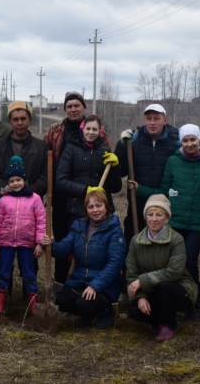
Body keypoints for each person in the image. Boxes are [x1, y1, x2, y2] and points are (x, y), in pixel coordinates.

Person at [129, 124, 200, 320]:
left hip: (199, 222)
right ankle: (175, 301)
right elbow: (164, 191)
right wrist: (140, 189)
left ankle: (196, 305)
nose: (189, 144)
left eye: (193, 139)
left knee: (189, 260)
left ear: (199, 140)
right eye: (185, 140)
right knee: (172, 262)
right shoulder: (173, 161)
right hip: (176, 220)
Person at [44, 91, 111, 283]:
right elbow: (45, 159)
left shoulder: (99, 132)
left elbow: (106, 159)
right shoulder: (55, 132)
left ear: (83, 107)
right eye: (69, 106)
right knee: (63, 241)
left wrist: (115, 163)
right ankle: (60, 283)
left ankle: (85, 282)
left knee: (89, 243)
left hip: (92, 199)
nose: (73, 109)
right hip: (62, 196)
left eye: (77, 105)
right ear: (65, 109)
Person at [0, 100, 48, 300]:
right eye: (15, 119)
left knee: (29, 257)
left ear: (30, 119)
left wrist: (30, 191)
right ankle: (3, 294)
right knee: (2, 256)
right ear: (10, 121)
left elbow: (46, 176)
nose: (19, 123)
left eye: (23, 119)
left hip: (30, 213)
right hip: (4, 209)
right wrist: (4, 190)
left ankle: (29, 295)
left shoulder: (40, 147)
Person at [41, 189, 126, 327]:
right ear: (86, 209)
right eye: (90, 206)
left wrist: (95, 285)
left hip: (105, 284)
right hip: (80, 280)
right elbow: (64, 248)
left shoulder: (115, 232)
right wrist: (51, 246)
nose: (95, 210)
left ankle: (106, 311)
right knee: (62, 301)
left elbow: (115, 264)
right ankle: (88, 314)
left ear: (106, 207)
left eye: (99, 205)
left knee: (84, 304)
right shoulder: (79, 227)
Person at [55, 114, 122, 281]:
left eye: (95, 129)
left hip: (102, 210)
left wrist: (115, 167)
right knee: (77, 250)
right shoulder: (71, 149)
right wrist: (85, 190)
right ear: (82, 129)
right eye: (88, 128)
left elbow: (115, 187)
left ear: (100, 132)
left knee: (99, 251)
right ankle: (73, 285)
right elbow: (60, 181)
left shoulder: (105, 151)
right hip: (78, 209)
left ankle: (98, 285)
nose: (91, 132)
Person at [125, 195, 198, 342]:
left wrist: (142, 281)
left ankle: (168, 325)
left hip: (178, 288)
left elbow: (174, 271)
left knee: (165, 287)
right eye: (150, 214)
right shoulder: (136, 241)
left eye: (159, 215)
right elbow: (132, 273)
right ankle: (156, 322)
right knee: (134, 311)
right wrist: (140, 297)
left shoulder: (176, 239)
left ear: (167, 218)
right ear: (145, 217)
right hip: (150, 289)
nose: (154, 219)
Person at [115, 104, 180, 246]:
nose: (152, 122)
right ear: (144, 120)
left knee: (160, 245)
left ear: (165, 120)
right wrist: (121, 145)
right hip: (137, 202)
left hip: (164, 203)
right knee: (134, 241)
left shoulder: (175, 143)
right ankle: (130, 269)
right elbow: (121, 171)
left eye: (157, 118)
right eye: (148, 118)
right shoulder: (134, 140)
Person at [0, 157, 46, 315]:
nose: (15, 183)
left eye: (18, 180)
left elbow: (41, 221)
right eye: (12, 181)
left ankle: (34, 304)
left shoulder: (35, 198)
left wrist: (39, 243)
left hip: (27, 243)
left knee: (29, 273)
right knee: (3, 272)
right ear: (8, 183)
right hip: (6, 243)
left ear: (24, 180)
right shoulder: (4, 200)